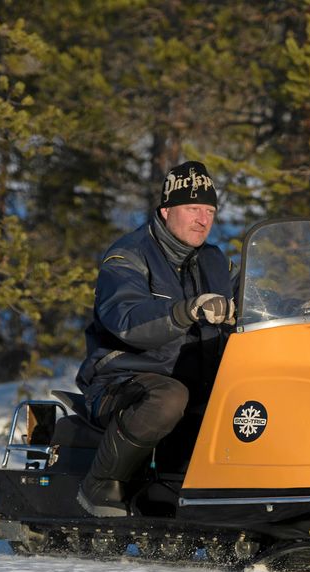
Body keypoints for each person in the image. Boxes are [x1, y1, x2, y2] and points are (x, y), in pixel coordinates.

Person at [74, 161, 236, 517]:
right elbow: (127, 320)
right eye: (193, 209)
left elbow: (252, 294)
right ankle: (101, 483)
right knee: (169, 397)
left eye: (209, 211)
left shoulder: (214, 261)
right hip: (123, 382)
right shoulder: (128, 256)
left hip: (196, 382)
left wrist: (300, 306)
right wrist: (185, 311)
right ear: (165, 211)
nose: (203, 220)